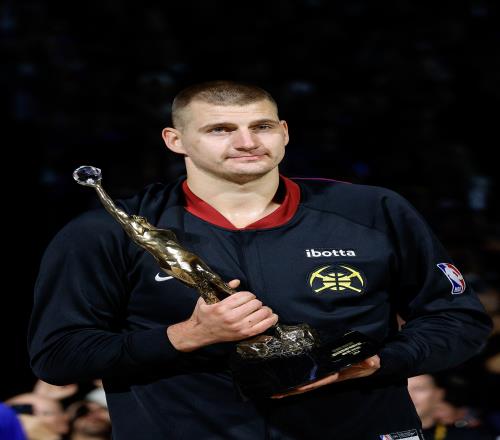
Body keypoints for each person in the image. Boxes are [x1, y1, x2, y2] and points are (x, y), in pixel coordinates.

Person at [29, 80, 492, 439]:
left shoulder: (373, 211)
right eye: (220, 130)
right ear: (175, 140)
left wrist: (380, 361)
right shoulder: (109, 232)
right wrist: (187, 336)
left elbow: (459, 320)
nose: (247, 141)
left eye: (262, 126)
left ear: (284, 132)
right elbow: (58, 356)